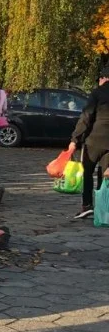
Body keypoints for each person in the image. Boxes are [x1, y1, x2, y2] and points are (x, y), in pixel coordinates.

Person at [69, 65, 109, 219]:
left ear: (104, 78)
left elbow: (86, 117)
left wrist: (75, 139)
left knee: (88, 173)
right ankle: (101, 206)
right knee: (105, 175)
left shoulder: (97, 93)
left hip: (94, 140)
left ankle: (87, 205)